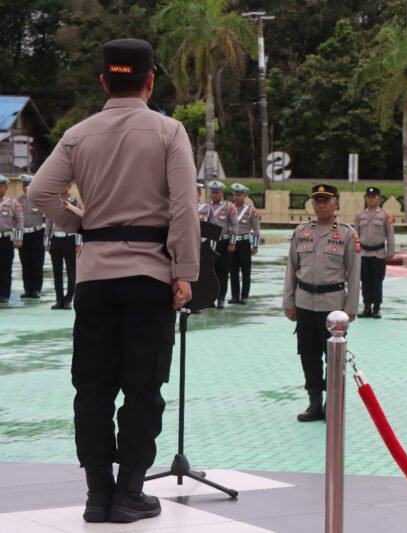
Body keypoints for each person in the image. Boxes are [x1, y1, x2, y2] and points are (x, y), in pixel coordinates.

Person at [28, 38, 199, 524]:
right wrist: (184, 271)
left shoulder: (78, 134)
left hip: (95, 278)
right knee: (143, 386)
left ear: (104, 81)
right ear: (150, 81)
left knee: (93, 388)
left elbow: (40, 192)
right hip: (149, 275)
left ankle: (97, 494)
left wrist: (80, 223)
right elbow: (184, 208)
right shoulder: (169, 132)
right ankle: (129, 493)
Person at [282, 184, 360, 422]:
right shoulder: (301, 231)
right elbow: (291, 269)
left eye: (326, 200)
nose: (321, 205)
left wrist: (351, 308)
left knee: (334, 357)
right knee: (308, 354)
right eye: (317, 200)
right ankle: (314, 402)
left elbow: (354, 273)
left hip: (333, 306)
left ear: (335, 203)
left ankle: (332, 403)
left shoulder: (347, 234)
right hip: (305, 302)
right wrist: (289, 301)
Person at [354, 186, 395, 318]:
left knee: (377, 282)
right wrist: (354, 253)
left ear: (379, 199)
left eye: (373, 197)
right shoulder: (360, 215)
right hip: (363, 253)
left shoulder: (385, 215)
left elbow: (390, 234)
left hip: (378, 253)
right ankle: (367, 307)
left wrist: (390, 251)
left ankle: (376, 308)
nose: (370, 199)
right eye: (368, 197)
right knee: (365, 282)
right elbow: (355, 235)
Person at [44, 185, 82, 310]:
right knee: (57, 271)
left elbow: (78, 222)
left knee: (71, 271)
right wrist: (47, 242)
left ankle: (68, 299)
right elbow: (48, 222)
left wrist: (78, 243)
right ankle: (59, 299)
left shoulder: (74, 202)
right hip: (56, 239)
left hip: (69, 239)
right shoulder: (53, 202)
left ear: (69, 186)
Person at [205, 180, 237, 308]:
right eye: (212, 192)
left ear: (222, 193)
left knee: (222, 271)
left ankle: (221, 298)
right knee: (209, 271)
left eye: (217, 192)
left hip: (223, 242)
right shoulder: (205, 206)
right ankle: (210, 298)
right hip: (209, 242)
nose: (214, 194)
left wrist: (232, 242)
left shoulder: (229, 206)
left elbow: (234, 225)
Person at [228, 183, 259, 305]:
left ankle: (244, 296)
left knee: (246, 271)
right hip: (232, 242)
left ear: (245, 195)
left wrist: (255, 245)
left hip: (245, 243)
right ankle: (234, 296)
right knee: (233, 271)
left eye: (240, 195)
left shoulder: (251, 210)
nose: (237, 197)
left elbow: (256, 228)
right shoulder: (229, 208)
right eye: (235, 194)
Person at [17, 175, 45, 299]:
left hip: (37, 233)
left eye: (28, 185)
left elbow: (47, 218)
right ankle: (27, 289)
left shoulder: (40, 200)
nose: (26, 187)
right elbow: (16, 221)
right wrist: (17, 238)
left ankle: (36, 289)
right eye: (24, 185)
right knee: (25, 263)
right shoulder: (18, 201)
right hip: (24, 234)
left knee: (37, 263)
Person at [0, 176, 24, 303]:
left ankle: (4, 294)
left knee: (5, 267)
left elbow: (19, 221)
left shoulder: (13, 202)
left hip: (6, 239)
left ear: (6, 187)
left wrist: (18, 239)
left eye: (0, 186)